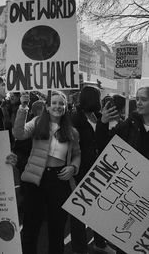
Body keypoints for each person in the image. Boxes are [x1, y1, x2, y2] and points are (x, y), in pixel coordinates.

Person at [13, 90, 81, 254]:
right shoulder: (37, 122)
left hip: (59, 181)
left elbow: (77, 154)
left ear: (65, 107)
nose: (58, 106)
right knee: (31, 226)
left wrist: (73, 168)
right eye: (54, 103)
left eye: (61, 103)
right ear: (48, 107)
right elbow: (19, 133)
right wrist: (23, 107)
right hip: (36, 179)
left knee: (57, 228)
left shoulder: (72, 131)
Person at [96, 86, 149, 254]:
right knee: (125, 237)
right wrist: (103, 123)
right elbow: (105, 146)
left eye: (144, 99)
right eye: (137, 98)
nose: (138, 102)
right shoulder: (129, 124)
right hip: (131, 192)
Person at [70, 86, 116, 254]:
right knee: (79, 211)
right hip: (81, 169)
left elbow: (102, 142)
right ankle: (79, 249)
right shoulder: (75, 119)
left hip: (99, 168)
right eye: (99, 96)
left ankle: (100, 243)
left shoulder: (97, 116)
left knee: (100, 209)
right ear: (92, 98)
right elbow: (77, 145)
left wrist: (105, 124)